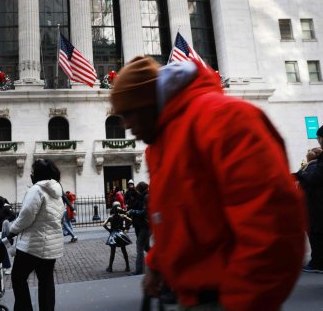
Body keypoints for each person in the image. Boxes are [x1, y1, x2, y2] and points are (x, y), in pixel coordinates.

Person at [110, 56, 306, 311]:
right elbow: (177, 217)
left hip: (231, 297)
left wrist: (242, 302)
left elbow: (272, 226)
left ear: (148, 102)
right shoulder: (162, 144)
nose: (125, 125)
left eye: (128, 113)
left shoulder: (227, 119)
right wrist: (158, 266)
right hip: (194, 297)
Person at [7, 158, 64, 311]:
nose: (31, 175)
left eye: (32, 172)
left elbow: (26, 215)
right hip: (51, 246)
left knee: (18, 278)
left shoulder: (36, 190)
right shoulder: (57, 192)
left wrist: (12, 230)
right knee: (46, 281)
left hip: (32, 245)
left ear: (37, 174)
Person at [295, 131, 323, 274]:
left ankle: (317, 263)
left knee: (316, 233)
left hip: (317, 204)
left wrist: (302, 168)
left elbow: (311, 180)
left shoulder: (314, 165)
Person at [127, 181, 150, 275]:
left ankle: (139, 270)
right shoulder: (140, 197)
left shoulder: (146, 197)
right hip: (140, 224)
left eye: (138, 189)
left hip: (144, 225)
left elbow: (144, 212)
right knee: (146, 247)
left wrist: (133, 212)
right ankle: (161, 260)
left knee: (139, 247)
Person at [103, 201, 132, 273]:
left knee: (113, 251)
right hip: (121, 233)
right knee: (124, 250)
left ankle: (110, 267)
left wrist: (109, 230)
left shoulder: (111, 217)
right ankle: (127, 266)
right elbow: (130, 220)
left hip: (113, 234)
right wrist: (126, 228)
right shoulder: (122, 216)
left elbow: (104, 224)